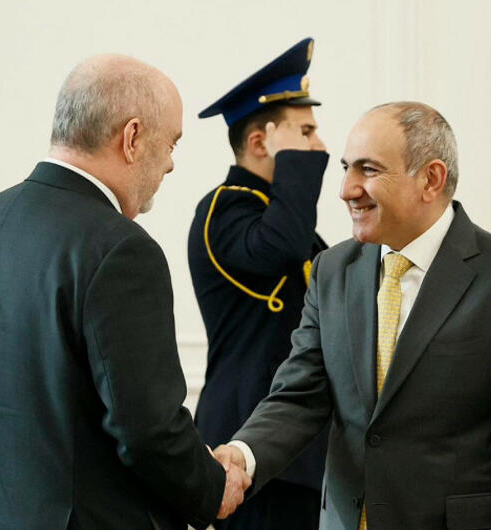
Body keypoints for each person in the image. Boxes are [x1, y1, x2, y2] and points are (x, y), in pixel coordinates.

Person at [215, 101, 491, 529]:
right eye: (346, 168)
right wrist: (242, 455)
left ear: (431, 179)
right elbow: (299, 395)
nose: (346, 189)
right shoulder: (332, 270)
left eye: (368, 170)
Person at [0, 54, 249, 530]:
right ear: (132, 137)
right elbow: (147, 430)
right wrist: (212, 486)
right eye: (172, 143)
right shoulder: (120, 249)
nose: (170, 164)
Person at [189, 37, 329, 530]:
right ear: (259, 143)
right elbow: (280, 250)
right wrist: (294, 164)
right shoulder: (225, 208)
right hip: (247, 447)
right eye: (305, 133)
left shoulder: (282, 216)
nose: (320, 147)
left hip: (296, 454)